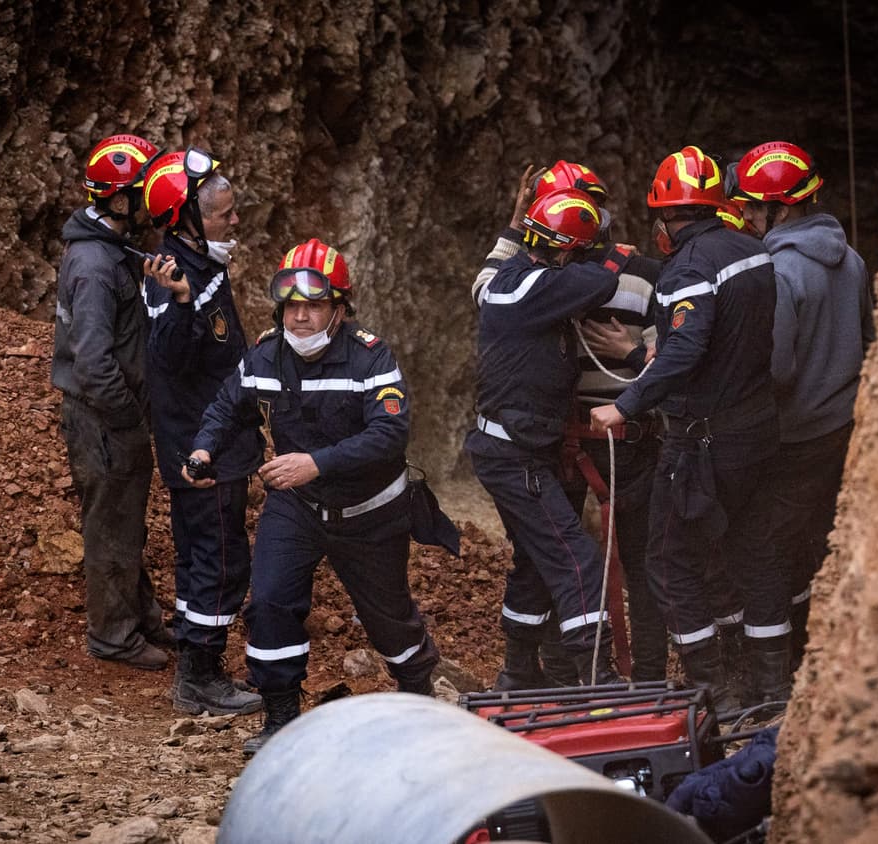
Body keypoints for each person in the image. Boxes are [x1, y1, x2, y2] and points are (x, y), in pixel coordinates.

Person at [187, 238, 440, 756]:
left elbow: (389, 435)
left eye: (314, 306)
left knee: (388, 617)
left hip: (370, 511)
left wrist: (315, 462)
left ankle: (420, 697)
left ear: (339, 310)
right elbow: (224, 407)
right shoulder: (265, 353)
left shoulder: (372, 357)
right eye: (292, 307)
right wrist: (204, 450)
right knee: (272, 602)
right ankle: (281, 718)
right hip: (296, 505)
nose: (300, 318)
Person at [590, 145, 789, 711]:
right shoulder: (753, 252)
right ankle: (772, 690)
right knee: (753, 552)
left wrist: (623, 406)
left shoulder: (688, 270)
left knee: (669, 560)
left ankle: (717, 694)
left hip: (704, 439)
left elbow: (685, 352)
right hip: (759, 430)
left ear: (667, 217)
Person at [471, 163, 670, 686]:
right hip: (544, 447)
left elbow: (673, 361)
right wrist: (619, 256)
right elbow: (598, 282)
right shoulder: (559, 283)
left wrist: (517, 224)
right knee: (577, 561)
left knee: (547, 560)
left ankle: (525, 676)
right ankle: (591, 676)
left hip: (591, 442)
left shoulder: (513, 278)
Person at [729, 141, 875, 671]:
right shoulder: (852, 259)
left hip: (792, 437)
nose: (744, 215)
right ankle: (815, 650)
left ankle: (777, 674)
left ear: (781, 208)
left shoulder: (778, 270)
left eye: (750, 205)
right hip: (842, 429)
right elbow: (868, 338)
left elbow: (778, 370)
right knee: (814, 542)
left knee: (761, 545)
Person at [138, 148, 264, 716]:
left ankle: (197, 658)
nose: (235, 222)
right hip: (202, 447)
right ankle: (199, 677)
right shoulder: (174, 277)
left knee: (201, 553)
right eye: (223, 215)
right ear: (185, 217)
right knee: (217, 556)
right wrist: (185, 302)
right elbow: (167, 358)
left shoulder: (203, 264)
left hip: (215, 437)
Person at [50, 133, 170, 670]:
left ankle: (139, 616)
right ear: (119, 200)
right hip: (104, 418)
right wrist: (127, 418)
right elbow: (93, 360)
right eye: (142, 192)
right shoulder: (96, 265)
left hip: (110, 414)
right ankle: (114, 637)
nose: (151, 201)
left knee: (125, 520)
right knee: (111, 526)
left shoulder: (111, 250)